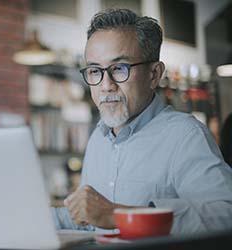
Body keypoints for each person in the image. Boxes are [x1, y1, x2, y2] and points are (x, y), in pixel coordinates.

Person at [51, 9, 232, 235]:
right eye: (95, 71)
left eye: (119, 68)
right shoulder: (98, 138)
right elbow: (87, 218)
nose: (106, 85)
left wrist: (118, 215)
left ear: (154, 74)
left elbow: (226, 214)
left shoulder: (185, 135)